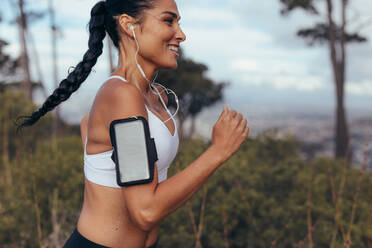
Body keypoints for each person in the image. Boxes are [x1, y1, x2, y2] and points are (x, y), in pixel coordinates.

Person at [17, 0, 249, 247]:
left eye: (179, 23)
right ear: (128, 25)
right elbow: (145, 212)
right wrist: (218, 152)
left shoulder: (153, 94)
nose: (181, 34)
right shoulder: (122, 95)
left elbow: (89, 125)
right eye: (168, 20)